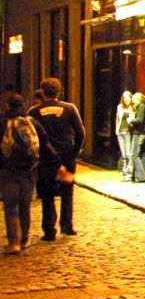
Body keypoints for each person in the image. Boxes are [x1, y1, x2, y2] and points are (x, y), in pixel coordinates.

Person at [28, 77, 85, 241]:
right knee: (67, 193)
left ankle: (49, 230)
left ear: (43, 92)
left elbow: (30, 137)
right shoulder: (70, 109)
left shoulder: (34, 112)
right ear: (59, 91)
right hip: (67, 158)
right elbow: (81, 133)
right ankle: (67, 226)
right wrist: (74, 152)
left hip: (45, 160)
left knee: (47, 195)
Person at [0, 92, 46, 254]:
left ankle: (14, 243)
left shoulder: (4, 123)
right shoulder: (33, 123)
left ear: (7, 106)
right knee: (25, 206)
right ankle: (24, 239)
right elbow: (45, 145)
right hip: (29, 171)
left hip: (8, 171)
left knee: (11, 207)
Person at [128, 92, 145, 182]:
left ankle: (140, 176)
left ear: (138, 99)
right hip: (142, 132)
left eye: (134, 101)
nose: (133, 103)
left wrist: (131, 120)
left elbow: (139, 120)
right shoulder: (143, 106)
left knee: (134, 155)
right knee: (141, 154)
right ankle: (143, 174)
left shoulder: (141, 107)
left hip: (139, 133)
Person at [115, 91, 135, 181]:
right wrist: (116, 130)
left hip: (128, 132)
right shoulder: (119, 107)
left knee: (129, 154)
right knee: (123, 155)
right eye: (124, 97)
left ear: (131, 98)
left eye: (128, 97)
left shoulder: (133, 108)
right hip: (120, 132)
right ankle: (124, 173)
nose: (126, 99)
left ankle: (130, 174)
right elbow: (117, 119)